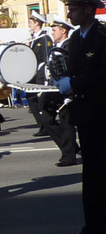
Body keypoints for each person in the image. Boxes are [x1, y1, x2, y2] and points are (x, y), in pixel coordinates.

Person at [57, 0, 106, 234]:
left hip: (101, 112)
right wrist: (63, 80)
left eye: (74, 9)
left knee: (101, 171)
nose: (69, 14)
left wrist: (74, 84)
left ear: (88, 10)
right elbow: (72, 69)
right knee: (91, 172)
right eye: (69, 9)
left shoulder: (102, 36)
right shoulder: (75, 38)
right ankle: (94, 224)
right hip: (84, 113)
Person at [38, 16, 78, 167]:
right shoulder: (55, 47)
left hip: (65, 90)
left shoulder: (70, 47)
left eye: (55, 30)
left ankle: (69, 156)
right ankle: (72, 148)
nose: (52, 33)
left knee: (66, 123)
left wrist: (70, 94)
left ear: (64, 31)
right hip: (52, 89)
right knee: (46, 119)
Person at [27, 10, 52, 137]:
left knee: (40, 99)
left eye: (31, 22)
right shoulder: (33, 39)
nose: (29, 25)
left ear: (37, 23)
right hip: (33, 72)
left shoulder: (45, 38)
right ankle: (42, 124)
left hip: (41, 73)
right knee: (30, 97)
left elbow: (47, 57)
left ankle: (45, 126)